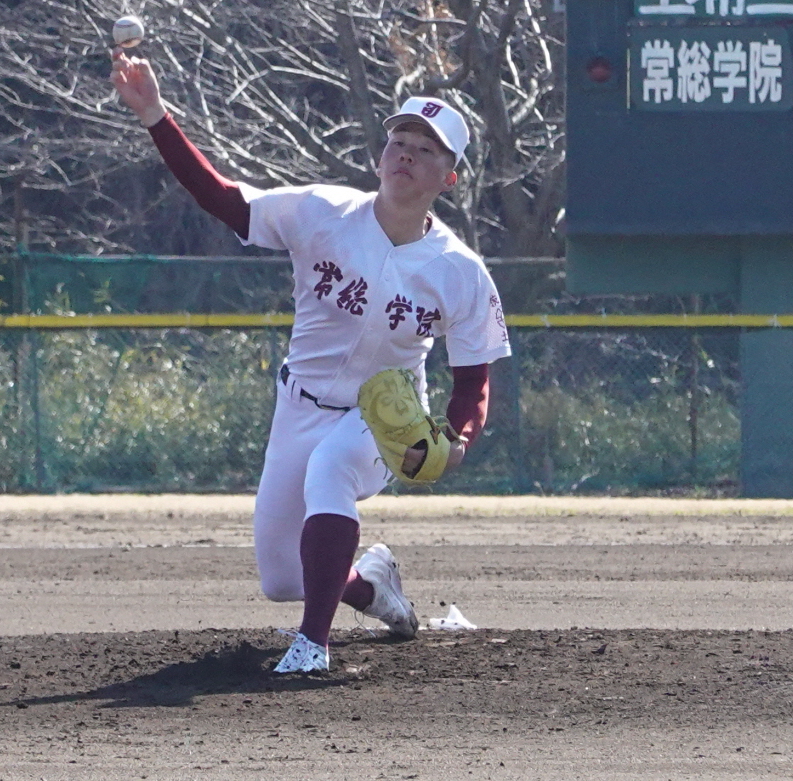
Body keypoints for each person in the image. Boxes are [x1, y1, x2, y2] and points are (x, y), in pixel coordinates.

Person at [110, 48, 512, 673]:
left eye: (425, 148)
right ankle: (372, 587)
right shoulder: (323, 212)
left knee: (331, 470)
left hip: (382, 418)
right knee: (280, 575)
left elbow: (473, 383)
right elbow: (224, 201)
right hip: (299, 404)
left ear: (449, 177)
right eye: (399, 139)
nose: (405, 152)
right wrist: (157, 116)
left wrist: (455, 441)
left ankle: (311, 646)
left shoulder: (461, 272)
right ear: (381, 155)